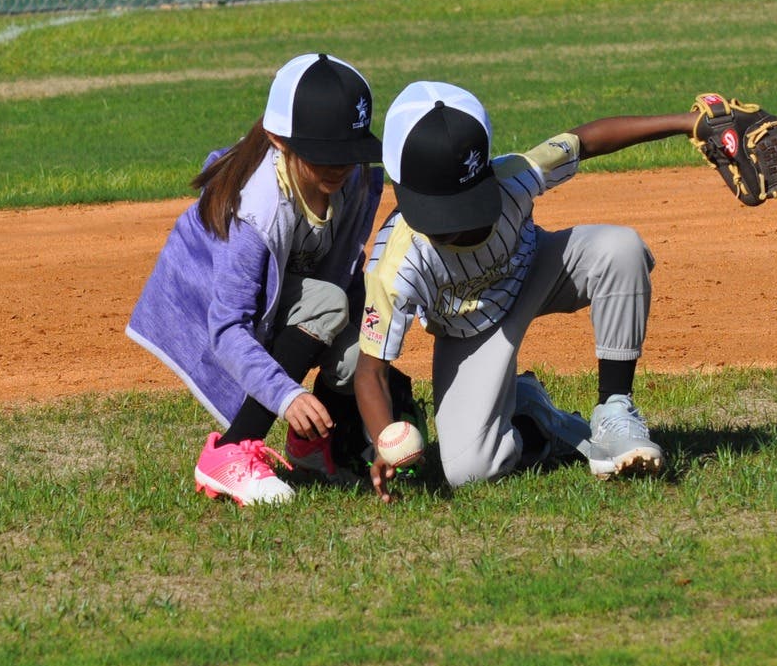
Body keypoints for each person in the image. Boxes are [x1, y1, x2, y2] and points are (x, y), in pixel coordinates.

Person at [350, 82, 693, 498]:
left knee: (619, 249)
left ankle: (615, 411)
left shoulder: (513, 176)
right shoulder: (396, 262)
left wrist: (689, 123)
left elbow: (585, 140)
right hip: (470, 332)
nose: (448, 226)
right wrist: (384, 438)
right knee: (470, 469)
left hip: (539, 273)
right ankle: (534, 415)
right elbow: (370, 370)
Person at [126, 54, 388, 507]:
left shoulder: (353, 181)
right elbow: (228, 326)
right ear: (278, 139)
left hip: (281, 297)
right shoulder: (258, 206)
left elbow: (342, 273)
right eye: (324, 153)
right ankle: (229, 453)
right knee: (326, 303)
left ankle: (312, 446)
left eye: (350, 151)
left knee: (355, 346)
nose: (340, 164)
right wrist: (286, 395)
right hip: (207, 304)